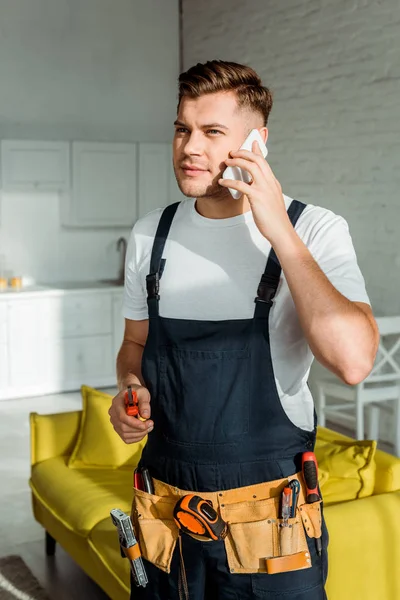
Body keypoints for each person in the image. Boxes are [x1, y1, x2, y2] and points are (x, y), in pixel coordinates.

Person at [109, 60, 379, 600]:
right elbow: (135, 343)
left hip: (271, 526)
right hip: (167, 515)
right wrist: (129, 391)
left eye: (212, 132)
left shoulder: (314, 229)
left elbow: (353, 361)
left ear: (257, 141)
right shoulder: (150, 235)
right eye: (183, 128)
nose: (190, 147)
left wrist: (276, 226)